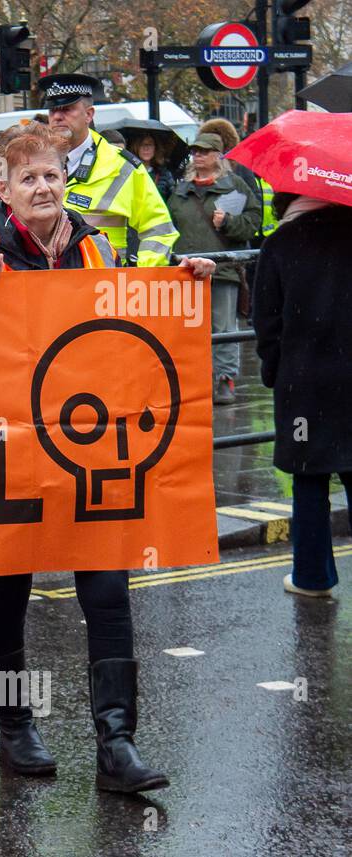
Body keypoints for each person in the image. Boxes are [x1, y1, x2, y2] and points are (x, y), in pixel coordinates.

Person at [0, 122, 215, 792]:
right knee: (7, 587)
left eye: (52, 175)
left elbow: (131, 320)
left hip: (87, 448)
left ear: (67, 181)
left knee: (108, 588)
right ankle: (15, 726)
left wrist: (182, 280)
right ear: (3, 189)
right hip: (9, 446)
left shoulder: (95, 246)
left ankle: (116, 740)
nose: (43, 187)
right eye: (28, 177)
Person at [252, 192, 352, 599]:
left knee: (309, 479)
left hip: (304, 385)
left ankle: (312, 577)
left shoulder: (280, 243)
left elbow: (265, 321)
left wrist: (275, 369)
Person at [41, 73, 179, 267]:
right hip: (43, 286)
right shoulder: (32, 163)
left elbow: (159, 229)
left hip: (102, 288)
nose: (57, 116)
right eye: (52, 110)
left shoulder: (122, 166)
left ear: (89, 114)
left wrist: (142, 277)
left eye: (66, 109)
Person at [167, 131, 261, 406]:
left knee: (222, 329)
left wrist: (229, 222)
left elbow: (254, 221)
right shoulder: (180, 189)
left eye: (205, 151)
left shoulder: (236, 186)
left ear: (218, 155)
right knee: (188, 329)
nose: (198, 155)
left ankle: (225, 380)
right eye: (195, 151)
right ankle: (194, 381)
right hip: (186, 271)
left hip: (223, 269)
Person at [126, 131, 177, 200]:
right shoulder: (129, 172)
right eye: (142, 144)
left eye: (150, 144)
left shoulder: (165, 175)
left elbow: (173, 201)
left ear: (155, 148)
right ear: (136, 148)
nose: (146, 148)